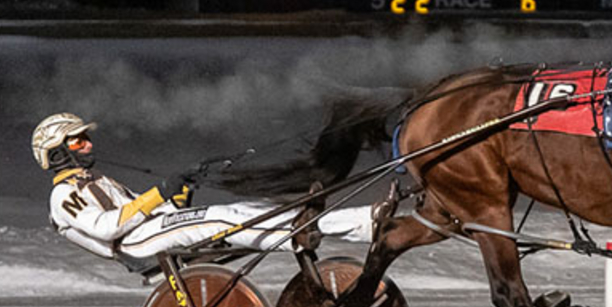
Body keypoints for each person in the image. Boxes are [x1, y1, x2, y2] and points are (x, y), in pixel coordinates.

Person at [31, 113, 372, 270]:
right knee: (218, 218)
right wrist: (161, 192)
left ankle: (362, 222)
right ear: (57, 152)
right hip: (136, 246)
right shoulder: (62, 197)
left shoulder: (96, 181)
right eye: (78, 140)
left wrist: (179, 192)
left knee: (244, 209)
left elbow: (148, 210)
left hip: (151, 231)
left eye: (86, 138)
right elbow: (108, 227)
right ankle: (296, 236)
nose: (88, 144)